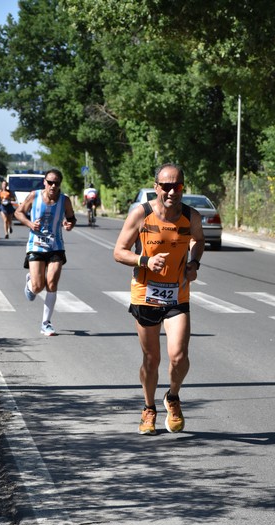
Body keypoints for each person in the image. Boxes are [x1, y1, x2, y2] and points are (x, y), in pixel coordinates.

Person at [114, 163, 205, 435]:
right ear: (156, 187)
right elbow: (119, 252)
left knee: (179, 356)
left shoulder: (191, 216)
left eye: (177, 186)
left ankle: (173, 397)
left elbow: (198, 241)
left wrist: (194, 263)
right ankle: (148, 408)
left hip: (177, 294)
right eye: (166, 186)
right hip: (145, 294)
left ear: (182, 188)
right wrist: (145, 260)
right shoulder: (141, 214)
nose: (171, 191)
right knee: (151, 359)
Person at [14, 168, 77, 337]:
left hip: (56, 245)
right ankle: (30, 284)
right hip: (36, 245)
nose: (53, 186)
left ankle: (45, 324)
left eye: (56, 183)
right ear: (44, 182)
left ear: (59, 184)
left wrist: (69, 224)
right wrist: (29, 223)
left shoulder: (64, 201)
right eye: (50, 182)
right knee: (37, 286)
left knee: (52, 283)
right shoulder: (34, 196)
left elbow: (71, 218)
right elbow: (18, 213)